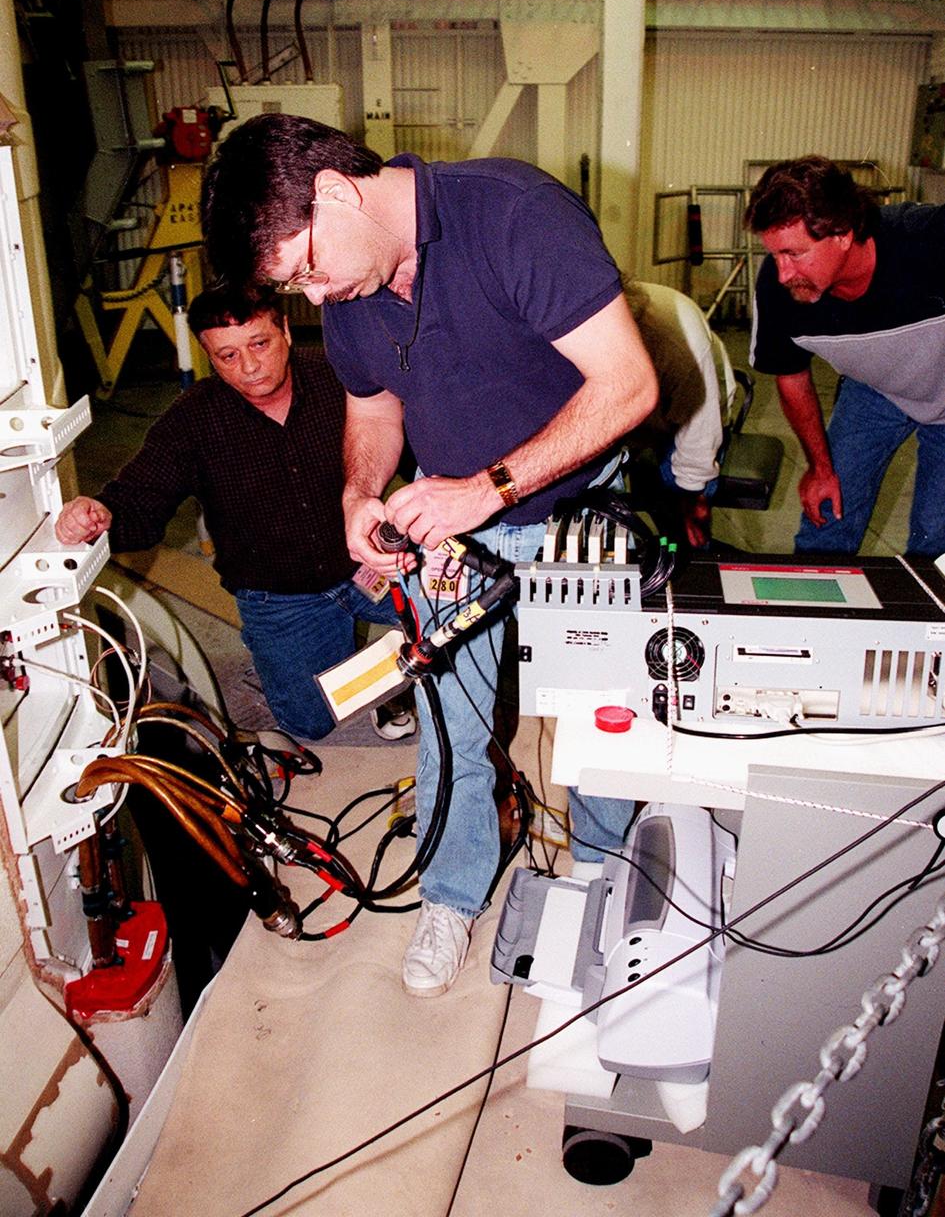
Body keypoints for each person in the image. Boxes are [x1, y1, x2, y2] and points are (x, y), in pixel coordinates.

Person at [200, 115, 659, 997]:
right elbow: (374, 409)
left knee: (599, 712)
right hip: (453, 523)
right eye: (293, 287)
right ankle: (450, 894)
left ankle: (608, 875)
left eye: (305, 269)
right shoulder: (352, 286)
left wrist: (487, 489)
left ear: (334, 193)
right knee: (450, 720)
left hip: (573, 513)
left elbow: (628, 384)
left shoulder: (514, 213)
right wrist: (357, 493)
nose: (314, 297)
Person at [55, 283, 415, 744]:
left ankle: (395, 679)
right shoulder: (193, 420)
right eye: (227, 355)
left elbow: (414, 447)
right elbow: (140, 498)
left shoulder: (340, 379)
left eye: (259, 344)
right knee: (310, 723)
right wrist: (99, 513)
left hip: (368, 561)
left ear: (285, 331)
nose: (248, 366)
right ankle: (292, 655)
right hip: (280, 596)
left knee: (461, 607)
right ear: (209, 357)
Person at [744, 154, 945, 557]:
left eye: (794, 254)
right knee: (826, 519)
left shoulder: (928, 240)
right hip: (877, 389)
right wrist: (820, 468)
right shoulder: (777, 290)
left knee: (935, 539)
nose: (783, 274)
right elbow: (791, 377)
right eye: (775, 255)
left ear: (842, 233)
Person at [622, 280, 731, 549]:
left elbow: (700, 430)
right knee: (645, 503)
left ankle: (689, 562)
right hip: (636, 404)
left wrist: (692, 494)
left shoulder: (682, 347)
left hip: (695, 411)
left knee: (682, 524)